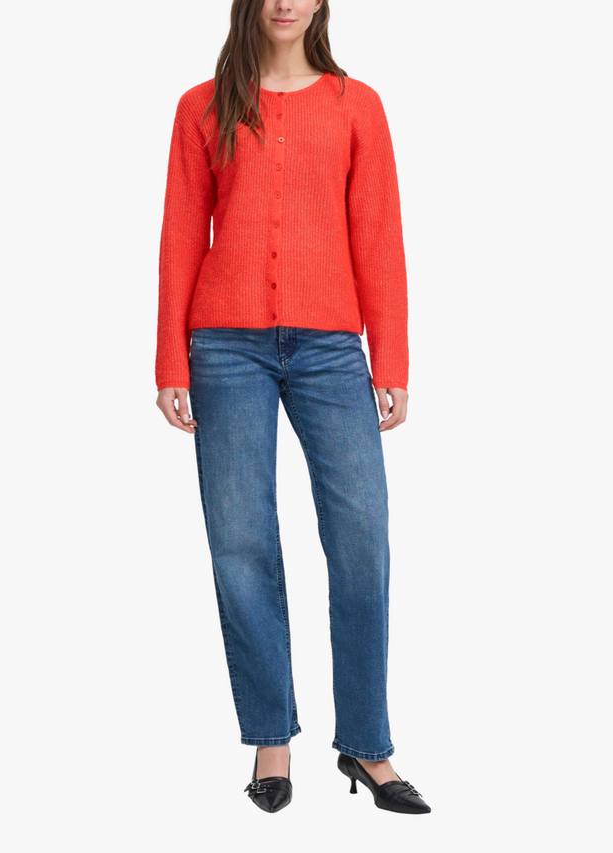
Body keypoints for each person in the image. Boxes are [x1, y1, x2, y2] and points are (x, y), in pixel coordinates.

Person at [154, 0, 430, 815]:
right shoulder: (202, 107)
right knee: (240, 541)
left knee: (362, 539)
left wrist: (392, 358)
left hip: (331, 348)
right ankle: (270, 739)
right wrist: (170, 358)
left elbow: (378, 232)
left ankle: (368, 743)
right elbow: (180, 233)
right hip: (224, 347)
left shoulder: (357, 105)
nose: (284, 3)